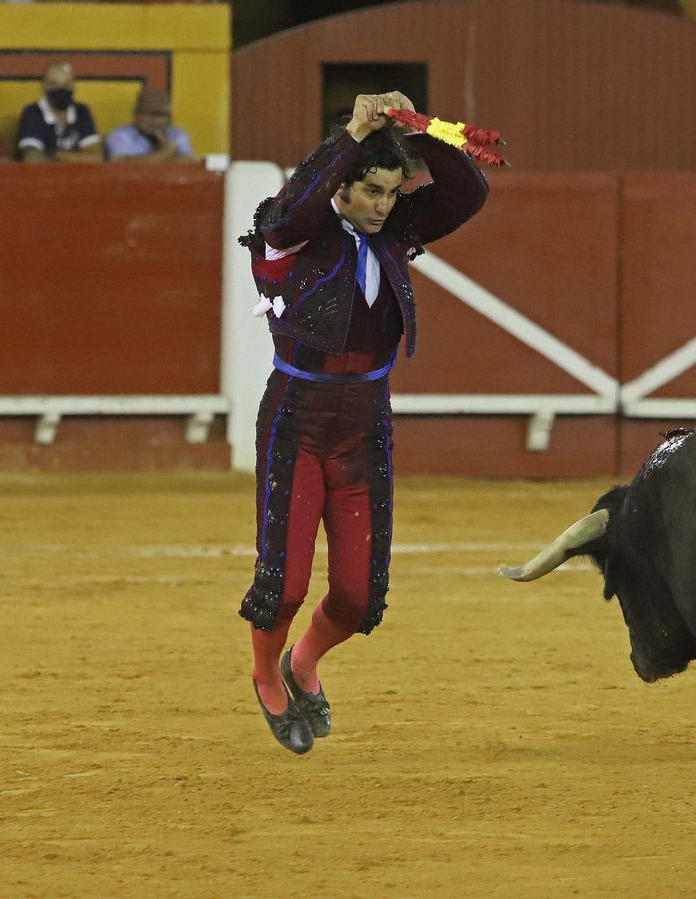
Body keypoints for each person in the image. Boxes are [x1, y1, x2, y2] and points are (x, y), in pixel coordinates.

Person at [238, 91, 489, 754]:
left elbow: (467, 190)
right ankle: (265, 670)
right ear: (340, 188)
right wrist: (352, 132)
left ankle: (302, 662)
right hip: (297, 418)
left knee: (357, 593)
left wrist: (416, 129)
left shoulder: (400, 231)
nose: (383, 204)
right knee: (285, 580)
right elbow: (297, 204)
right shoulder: (290, 229)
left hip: (364, 427)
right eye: (370, 190)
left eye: (390, 191)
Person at [16, 61, 102, 162]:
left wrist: (56, 155)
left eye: (66, 84)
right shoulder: (32, 113)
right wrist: (77, 157)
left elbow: (96, 158)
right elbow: (33, 160)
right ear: (43, 86)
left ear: (74, 86)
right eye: (53, 84)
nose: (60, 90)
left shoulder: (81, 111)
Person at [104, 86, 193, 162]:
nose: (157, 121)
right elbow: (120, 167)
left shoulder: (177, 135)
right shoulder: (121, 135)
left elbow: (189, 166)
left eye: (162, 115)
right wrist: (164, 154)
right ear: (136, 115)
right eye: (151, 114)